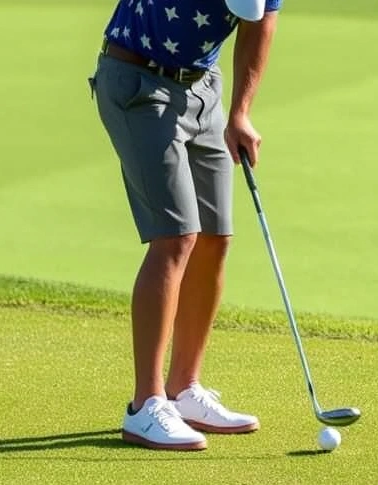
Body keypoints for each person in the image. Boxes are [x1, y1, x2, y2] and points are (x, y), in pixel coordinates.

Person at [88, 0, 282, 451]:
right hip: (138, 82)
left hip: (203, 88)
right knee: (175, 238)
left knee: (215, 237)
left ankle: (183, 388)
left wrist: (240, 111)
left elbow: (260, 25)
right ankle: (145, 404)